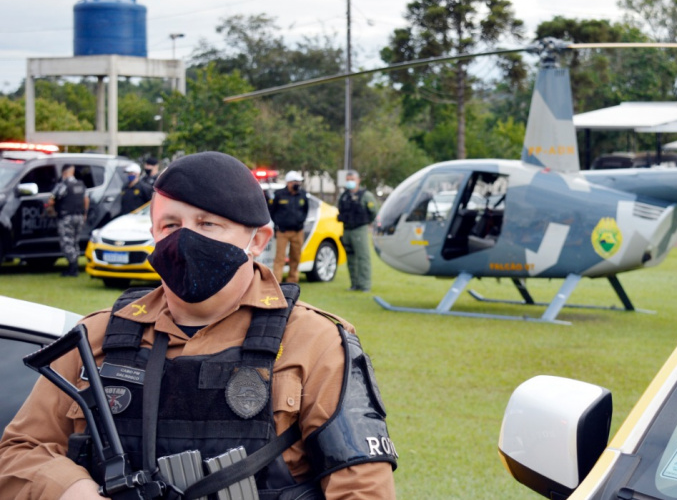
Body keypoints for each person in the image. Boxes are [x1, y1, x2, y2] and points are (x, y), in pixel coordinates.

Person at [0, 152, 397, 499]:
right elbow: (20, 450)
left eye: (208, 224)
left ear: (258, 239)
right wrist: (73, 491)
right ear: (154, 233)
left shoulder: (315, 342)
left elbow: (362, 488)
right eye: (171, 226)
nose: (185, 240)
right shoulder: (98, 338)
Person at [337, 170, 378, 292]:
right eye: (348, 179)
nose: (350, 182)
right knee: (351, 258)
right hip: (347, 229)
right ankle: (354, 283)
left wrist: (366, 223)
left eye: (352, 179)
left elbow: (374, 212)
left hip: (359, 229)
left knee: (363, 257)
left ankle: (364, 285)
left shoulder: (366, 195)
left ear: (358, 180)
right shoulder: (343, 196)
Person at [47, 164, 89, 277]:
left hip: (66, 217)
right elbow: (86, 199)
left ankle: (73, 267)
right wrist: (85, 213)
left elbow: (51, 200)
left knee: (67, 242)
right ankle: (74, 266)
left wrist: (50, 209)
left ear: (64, 172)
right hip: (79, 216)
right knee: (75, 241)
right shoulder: (80, 184)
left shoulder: (63, 185)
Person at [269, 170, 309, 283]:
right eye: (296, 181)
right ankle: (277, 282)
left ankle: (292, 281)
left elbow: (306, 210)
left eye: (299, 182)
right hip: (283, 231)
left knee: (296, 257)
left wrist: (301, 222)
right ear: (289, 182)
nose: (298, 184)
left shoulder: (302, 194)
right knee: (280, 258)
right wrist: (278, 224)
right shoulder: (279, 194)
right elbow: (272, 211)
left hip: (298, 231)